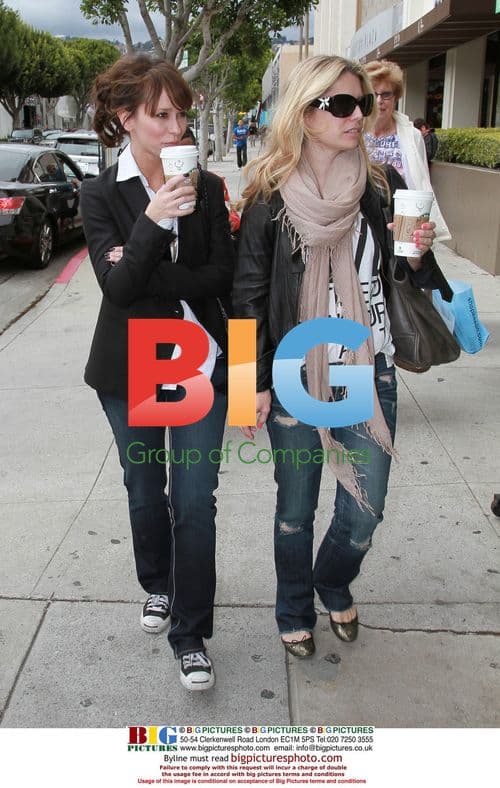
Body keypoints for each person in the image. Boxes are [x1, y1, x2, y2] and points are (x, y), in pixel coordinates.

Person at [232, 54, 444, 658]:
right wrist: (250, 385)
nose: (363, 113)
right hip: (295, 365)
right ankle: (294, 605)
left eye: (366, 101)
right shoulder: (268, 199)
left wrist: (419, 254)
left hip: (364, 364)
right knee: (295, 506)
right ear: (306, 113)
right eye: (345, 104)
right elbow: (247, 297)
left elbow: (408, 272)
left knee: (366, 507)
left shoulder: (381, 186)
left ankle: (333, 578)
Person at [80, 54, 234, 690]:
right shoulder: (99, 194)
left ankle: (192, 634)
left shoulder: (212, 188)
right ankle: (158, 584)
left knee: (195, 501)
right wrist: (151, 221)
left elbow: (225, 281)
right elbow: (117, 290)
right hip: (131, 364)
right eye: (161, 114)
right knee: (146, 490)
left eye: (182, 114)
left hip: (201, 358)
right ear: (127, 119)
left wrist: (144, 267)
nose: (178, 128)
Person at [363, 59, 450, 241]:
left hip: (402, 220)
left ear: (396, 97)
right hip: (362, 219)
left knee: (400, 268)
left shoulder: (412, 136)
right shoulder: (354, 134)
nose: (380, 101)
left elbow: (421, 180)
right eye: (374, 94)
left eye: (386, 95)